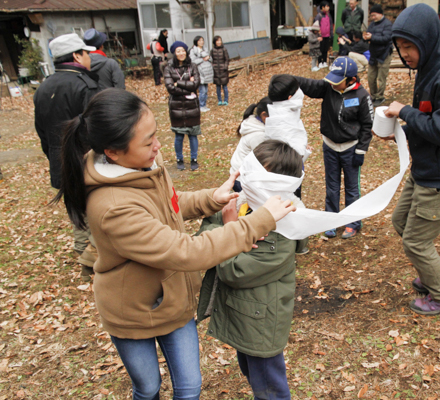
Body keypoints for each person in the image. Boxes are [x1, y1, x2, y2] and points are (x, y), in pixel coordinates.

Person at [51, 88, 296, 400]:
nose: (157, 146)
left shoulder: (144, 163)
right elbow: (185, 251)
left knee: (190, 386)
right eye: (147, 141)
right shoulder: (112, 208)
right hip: (132, 310)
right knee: (148, 386)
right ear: (112, 152)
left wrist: (211, 199)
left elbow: (168, 203)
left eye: (155, 135)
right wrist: (258, 222)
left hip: (173, 298)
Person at [198, 140, 309, 400]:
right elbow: (203, 235)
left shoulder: (282, 231)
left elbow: (233, 271)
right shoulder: (245, 204)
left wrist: (229, 228)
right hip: (245, 318)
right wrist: (229, 225)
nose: (246, 179)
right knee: (252, 373)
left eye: (258, 174)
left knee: (270, 389)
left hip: (260, 325)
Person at [384, 4, 440, 315]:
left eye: (410, 46)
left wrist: (404, 112)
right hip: (425, 169)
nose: (404, 53)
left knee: (416, 243)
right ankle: (430, 275)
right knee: (400, 222)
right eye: (401, 46)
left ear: (427, 40)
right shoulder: (428, 67)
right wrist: (401, 130)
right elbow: (427, 117)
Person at [33, 33, 99, 278]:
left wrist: (52, 156)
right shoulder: (84, 85)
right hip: (84, 160)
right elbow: (94, 128)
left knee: (76, 207)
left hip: (58, 161)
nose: (90, 57)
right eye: (86, 53)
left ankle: (84, 253)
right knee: (93, 209)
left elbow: (41, 130)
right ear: (76, 56)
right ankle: (92, 257)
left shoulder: (43, 87)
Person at [294, 57, 373, 239]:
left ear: (351, 79)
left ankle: (353, 222)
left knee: (352, 188)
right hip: (330, 147)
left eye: (338, 80)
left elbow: (368, 125)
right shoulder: (328, 88)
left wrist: (361, 150)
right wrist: (291, 80)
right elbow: (310, 85)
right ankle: (331, 222)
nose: (332, 83)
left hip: (351, 148)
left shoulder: (362, 96)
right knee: (332, 186)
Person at [164, 41, 201, 171]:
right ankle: (179, 159)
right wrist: (187, 84)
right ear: (174, 53)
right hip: (176, 106)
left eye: (183, 50)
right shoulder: (168, 68)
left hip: (192, 105)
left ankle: (194, 159)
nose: (181, 53)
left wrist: (178, 83)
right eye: (178, 51)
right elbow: (170, 88)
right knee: (179, 135)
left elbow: (196, 84)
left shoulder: (193, 66)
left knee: (193, 134)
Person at [230, 97, 272, 192]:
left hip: (241, 175)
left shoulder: (255, 123)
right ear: (264, 115)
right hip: (242, 180)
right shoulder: (259, 135)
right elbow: (265, 161)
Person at [363, 4, 393, 106]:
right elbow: (369, 35)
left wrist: (372, 37)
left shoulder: (387, 24)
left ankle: (380, 97)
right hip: (373, 54)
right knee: (371, 77)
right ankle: (373, 96)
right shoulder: (372, 24)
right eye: (372, 16)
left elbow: (387, 38)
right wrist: (366, 37)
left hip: (384, 54)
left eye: (374, 15)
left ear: (380, 14)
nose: (373, 17)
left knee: (381, 78)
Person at [190, 36, 213, 112]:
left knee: (205, 90)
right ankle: (201, 105)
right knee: (202, 90)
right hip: (199, 72)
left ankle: (204, 105)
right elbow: (193, 61)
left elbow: (210, 58)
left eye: (202, 40)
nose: (201, 42)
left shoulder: (205, 49)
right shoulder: (193, 50)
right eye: (200, 41)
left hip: (207, 73)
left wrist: (208, 58)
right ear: (196, 42)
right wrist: (202, 59)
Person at [211, 36, 230, 106]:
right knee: (218, 87)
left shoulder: (224, 49)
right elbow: (211, 59)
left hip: (223, 71)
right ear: (215, 42)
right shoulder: (212, 50)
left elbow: (227, 59)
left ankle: (225, 100)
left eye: (220, 40)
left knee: (224, 86)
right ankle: (219, 100)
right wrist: (213, 67)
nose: (219, 42)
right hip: (216, 71)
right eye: (217, 41)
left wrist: (225, 67)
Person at [315, 1, 333, 69]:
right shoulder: (319, 16)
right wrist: (318, 35)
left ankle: (324, 61)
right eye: (327, 6)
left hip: (327, 35)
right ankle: (319, 62)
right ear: (323, 7)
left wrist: (331, 34)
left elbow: (330, 25)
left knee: (326, 49)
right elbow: (316, 26)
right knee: (320, 49)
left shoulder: (328, 15)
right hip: (321, 36)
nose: (328, 8)